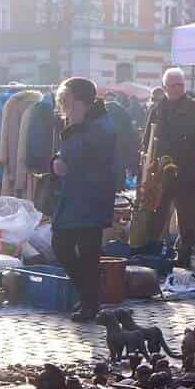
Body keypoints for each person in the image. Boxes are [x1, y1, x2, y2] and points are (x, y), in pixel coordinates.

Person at [49, 77, 116, 323]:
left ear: (80, 101)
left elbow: (78, 155)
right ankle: (90, 297)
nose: (64, 106)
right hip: (77, 195)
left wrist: (64, 155)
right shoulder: (85, 123)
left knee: (83, 252)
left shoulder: (100, 125)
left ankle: (90, 301)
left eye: (67, 100)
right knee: (64, 246)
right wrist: (57, 160)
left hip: (91, 197)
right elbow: (65, 154)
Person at [146, 67, 195, 272]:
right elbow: (147, 139)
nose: (177, 89)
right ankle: (152, 253)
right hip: (160, 172)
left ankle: (184, 255)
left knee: (186, 217)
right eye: (173, 85)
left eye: (180, 85)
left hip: (186, 171)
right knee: (156, 214)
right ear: (165, 87)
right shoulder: (157, 109)